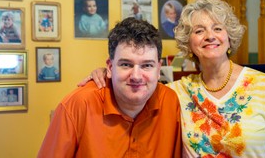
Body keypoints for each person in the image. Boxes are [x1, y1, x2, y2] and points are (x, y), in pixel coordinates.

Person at [80, 0, 265, 157]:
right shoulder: (176, 91)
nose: (210, 36)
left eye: (218, 28)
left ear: (230, 37)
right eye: (199, 31)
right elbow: (137, 82)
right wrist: (105, 73)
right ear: (188, 43)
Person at [38, 17, 182, 157]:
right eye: (126, 64)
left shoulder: (170, 101)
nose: (136, 76)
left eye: (147, 65)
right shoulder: (78, 105)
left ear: (158, 69)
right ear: (110, 66)